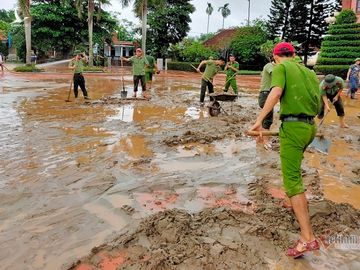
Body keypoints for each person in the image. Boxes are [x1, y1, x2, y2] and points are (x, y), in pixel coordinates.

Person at [249, 42, 321, 258]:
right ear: (295, 54)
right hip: (310, 128)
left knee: (292, 181)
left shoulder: (280, 68)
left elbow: (276, 92)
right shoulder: (309, 72)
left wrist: (259, 121)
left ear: (275, 56)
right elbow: (318, 105)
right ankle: (297, 206)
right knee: (295, 172)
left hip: (293, 127)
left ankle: (307, 238)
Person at [258, 60, 275, 149]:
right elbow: (274, 73)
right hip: (266, 95)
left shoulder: (270, 66)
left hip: (266, 94)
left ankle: (260, 138)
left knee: (264, 118)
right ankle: (266, 141)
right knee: (268, 119)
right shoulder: (269, 65)